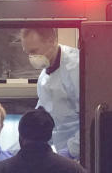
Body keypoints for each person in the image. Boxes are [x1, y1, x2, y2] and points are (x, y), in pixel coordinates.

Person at [20, 27, 80, 159]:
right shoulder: (44, 75)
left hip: (83, 149)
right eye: (28, 53)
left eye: (34, 51)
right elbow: (44, 114)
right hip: (63, 151)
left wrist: (72, 150)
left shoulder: (77, 68)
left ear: (52, 41)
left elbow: (90, 122)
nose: (31, 57)